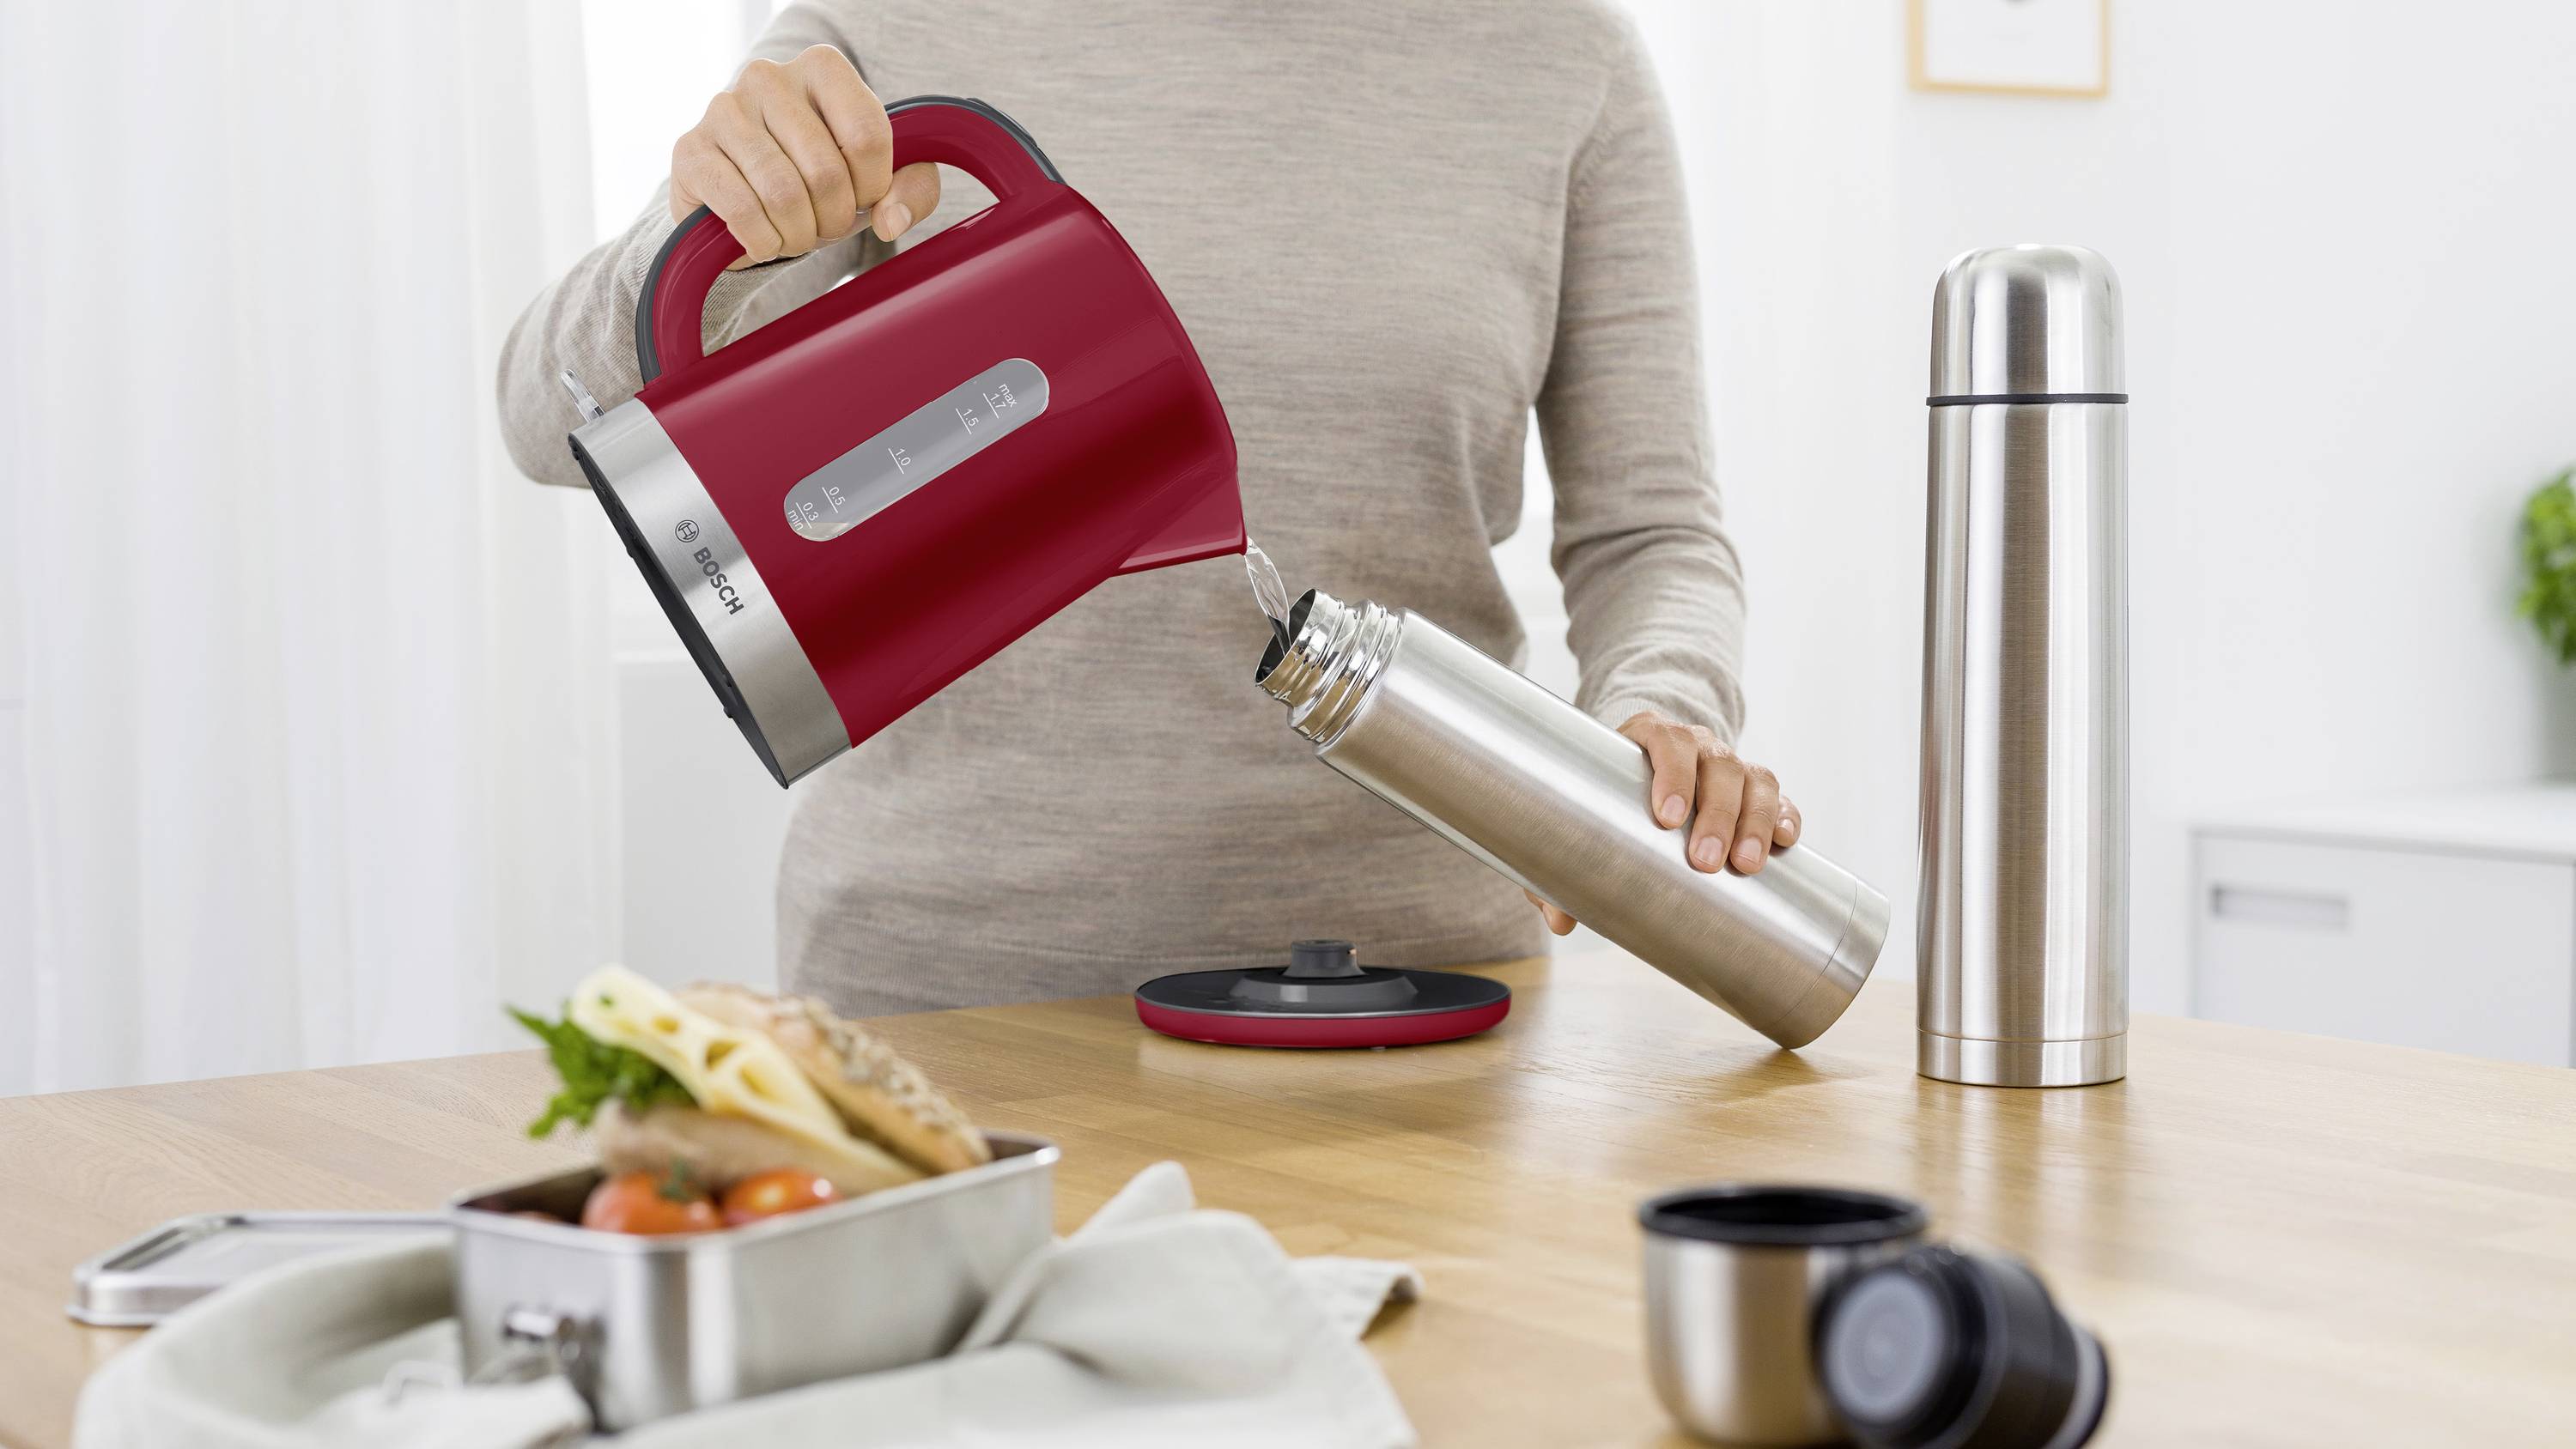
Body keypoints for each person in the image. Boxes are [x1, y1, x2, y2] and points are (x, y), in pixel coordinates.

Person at [496, 1, 1800, 1016]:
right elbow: (541, 417)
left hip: (1422, 1003)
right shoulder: (894, 27)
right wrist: (699, 233)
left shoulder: (1562, 56)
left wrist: (1663, 710)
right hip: (946, 1003)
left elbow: (1652, 534)